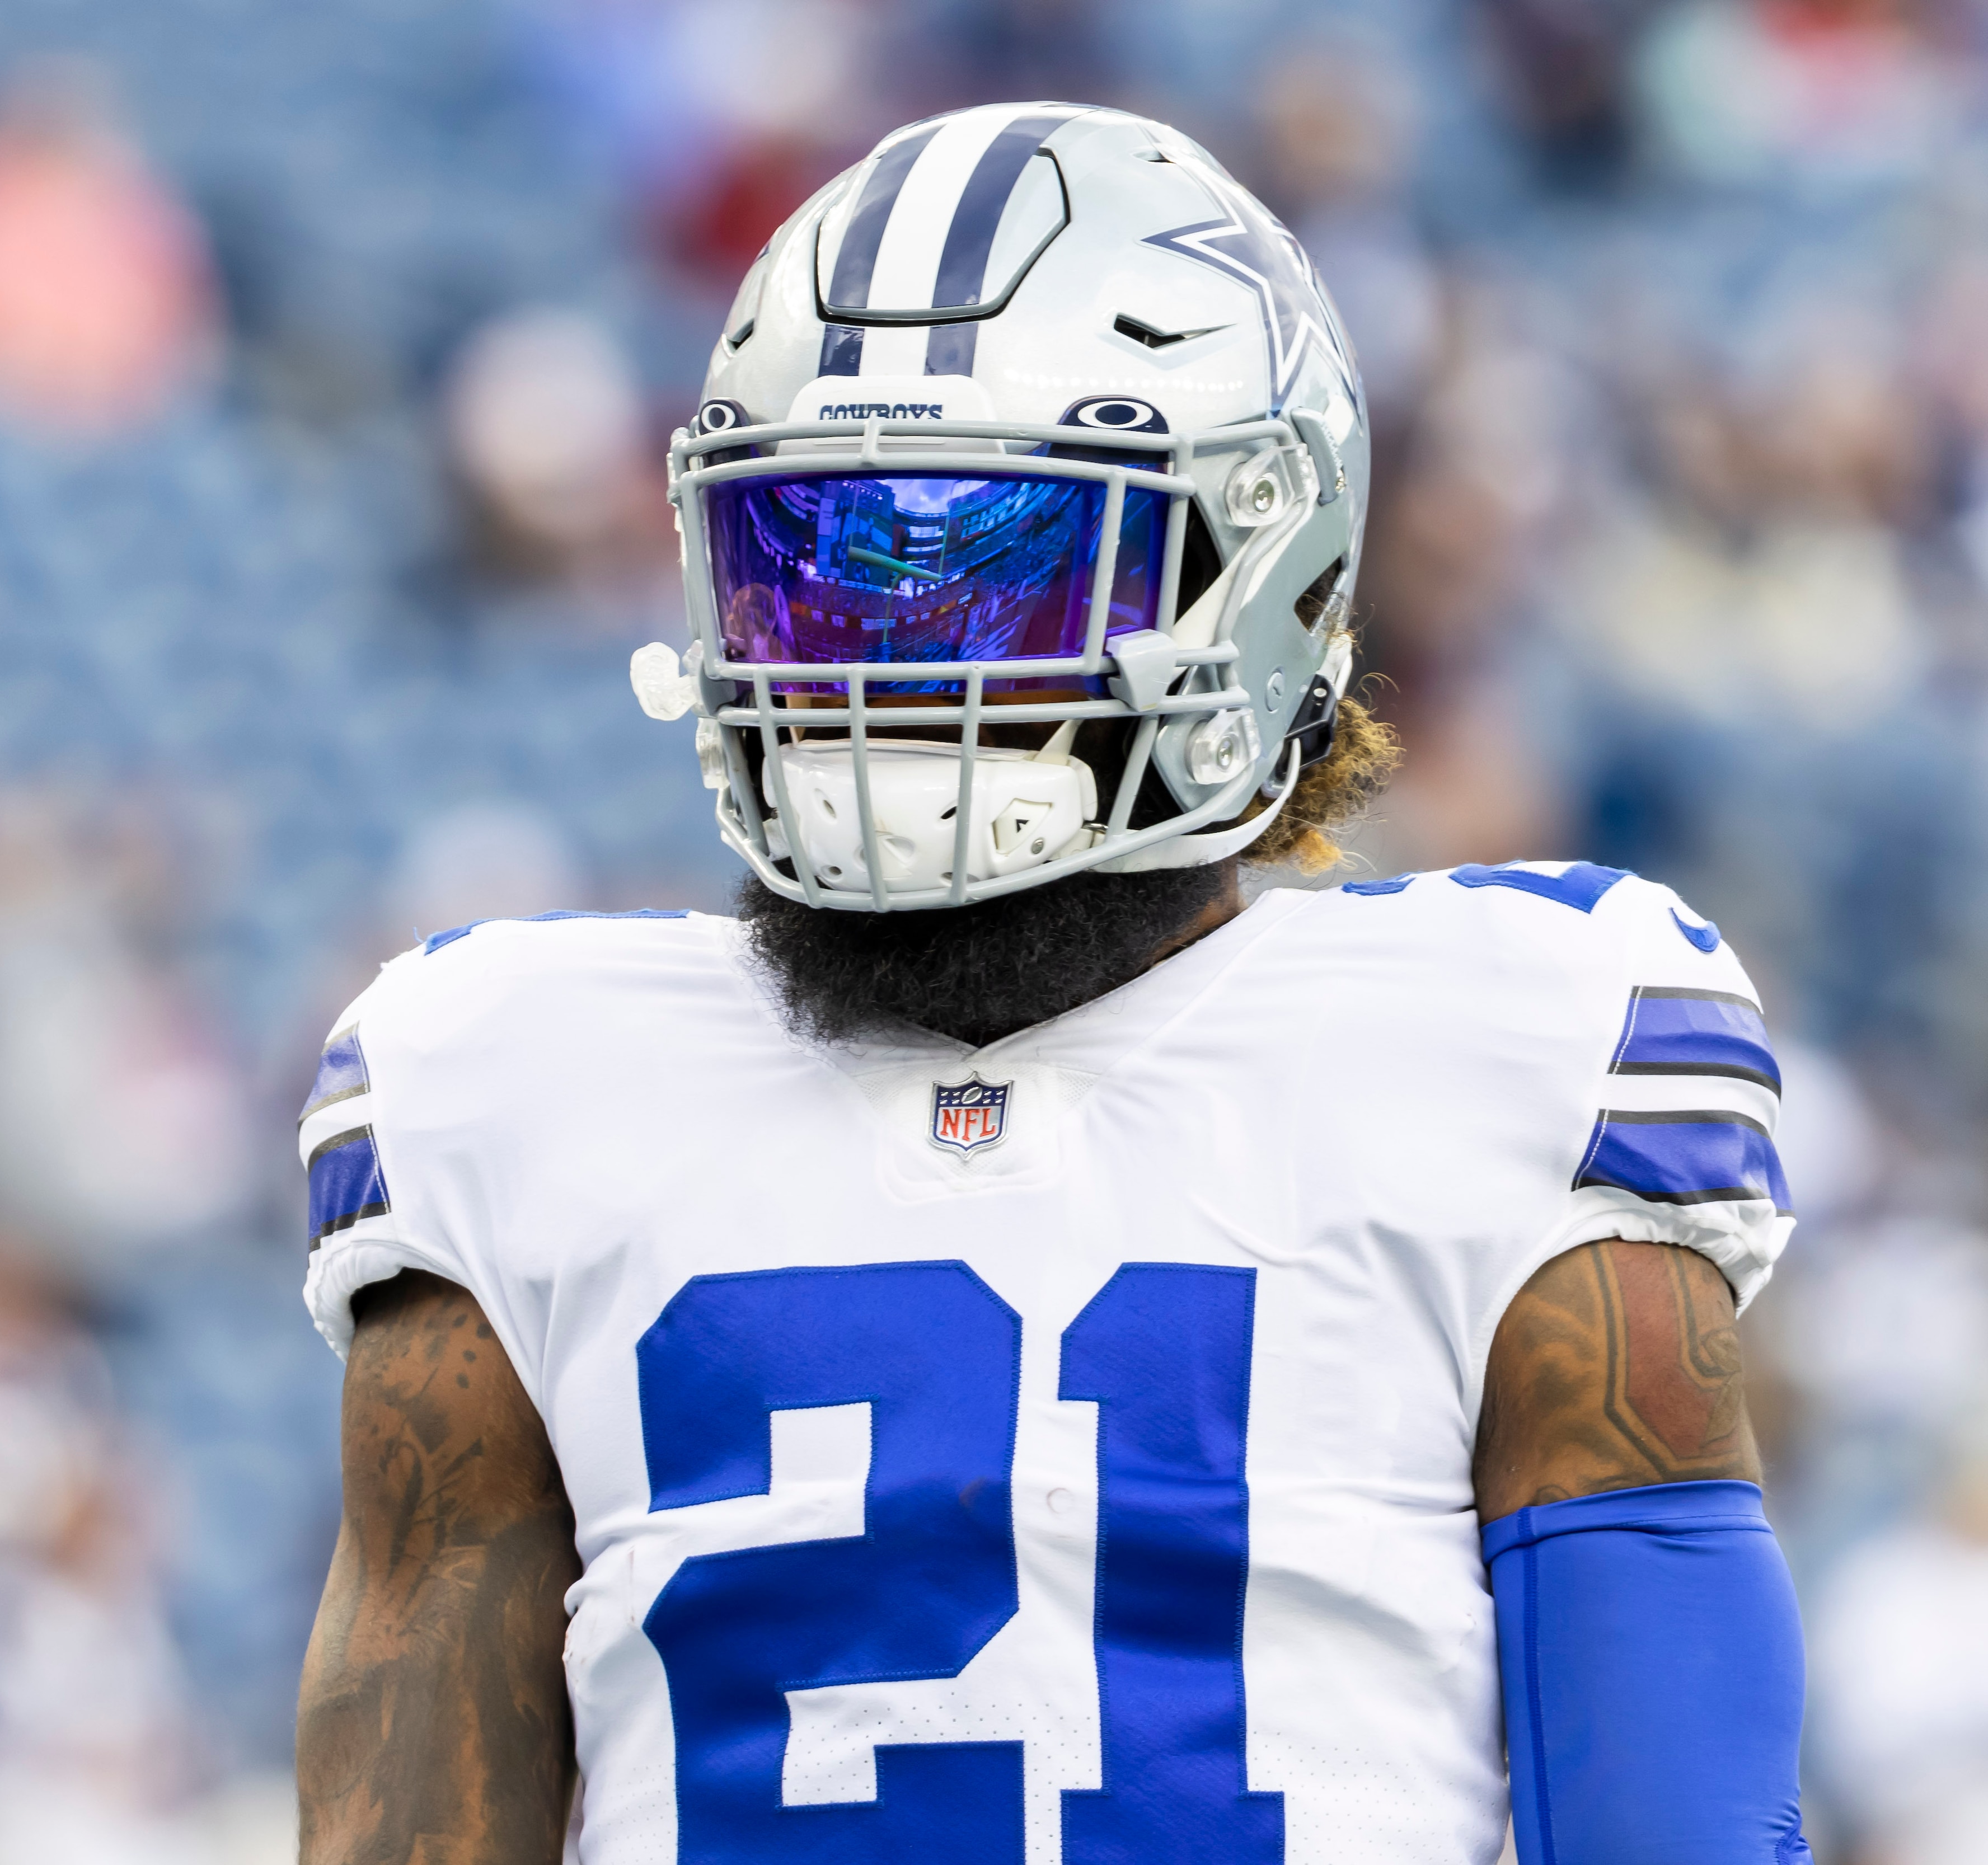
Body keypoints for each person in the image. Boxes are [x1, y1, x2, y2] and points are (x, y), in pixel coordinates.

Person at [293, 105, 1812, 1865]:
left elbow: (1670, 1820)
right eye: (817, 571)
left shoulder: (1527, 1039)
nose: (883, 669)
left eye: (993, 564)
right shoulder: (506, 1082)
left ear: (1252, 572)